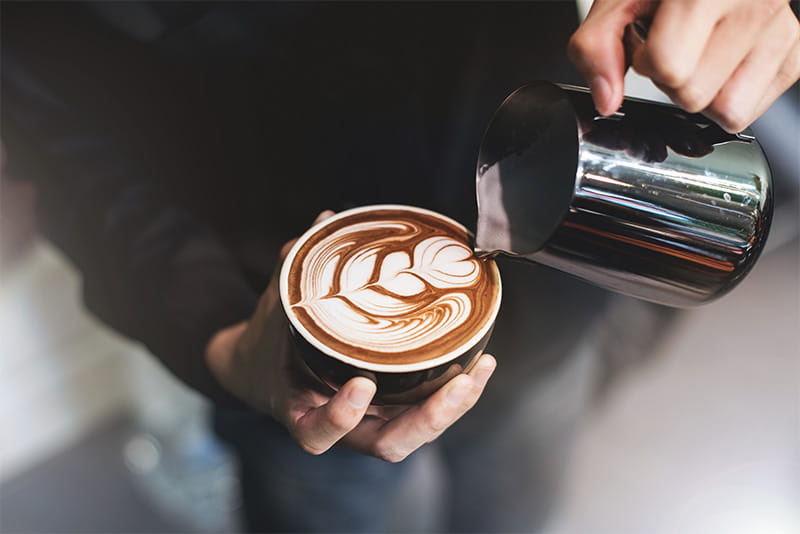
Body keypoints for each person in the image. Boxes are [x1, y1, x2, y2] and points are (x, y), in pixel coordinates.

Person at [2, 1, 797, 531]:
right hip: (290, 364)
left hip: (551, 286)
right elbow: (69, 146)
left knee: (516, 501)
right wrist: (222, 343)